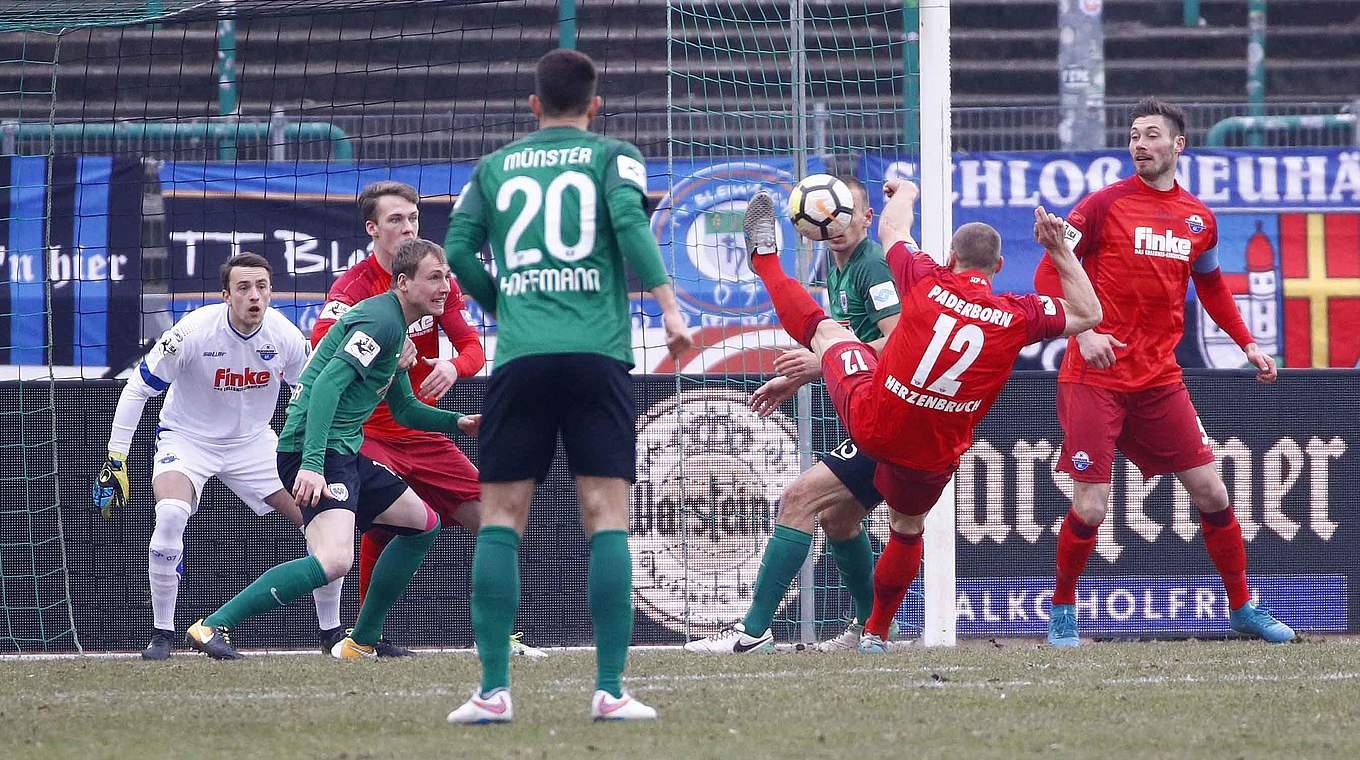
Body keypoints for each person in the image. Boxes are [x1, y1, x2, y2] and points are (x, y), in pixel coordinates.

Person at [742, 178, 1101, 653]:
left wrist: (908, 190)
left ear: (951, 258)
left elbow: (892, 227)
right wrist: (1059, 250)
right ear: (998, 266)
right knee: (903, 529)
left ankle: (764, 259)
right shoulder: (1017, 315)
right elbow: (1089, 312)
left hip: (879, 418)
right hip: (933, 451)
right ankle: (873, 633)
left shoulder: (925, 277)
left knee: (826, 335)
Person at [442, 48, 692, 723]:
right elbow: (630, 223)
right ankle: (610, 690)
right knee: (606, 517)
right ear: (595, 104)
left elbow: (457, 250)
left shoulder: (493, 168)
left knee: (500, 518)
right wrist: (668, 309)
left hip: (521, 358)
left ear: (532, 106)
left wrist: (508, 307)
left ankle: (493, 691)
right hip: (597, 357)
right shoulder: (614, 155)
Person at [1034, 97, 1293, 647]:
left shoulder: (1198, 218)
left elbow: (1213, 286)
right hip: (1094, 375)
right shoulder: (1102, 206)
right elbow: (1047, 269)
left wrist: (1246, 342)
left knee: (1213, 493)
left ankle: (1243, 607)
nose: (1140, 144)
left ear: (1178, 145)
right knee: (1091, 505)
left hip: (1158, 379)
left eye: (1152, 135)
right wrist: (1085, 330)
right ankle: (1062, 610)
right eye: (1133, 135)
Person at [185, 239, 479, 660]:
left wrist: (458, 423)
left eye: (447, 277)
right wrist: (311, 464)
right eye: (435, 277)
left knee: (423, 524)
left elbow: (406, 409)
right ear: (403, 282)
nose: (446, 287)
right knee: (334, 560)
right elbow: (325, 385)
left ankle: (361, 641)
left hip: (344, 450)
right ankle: (212, 626)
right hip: (316, 450)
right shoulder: (381, 322)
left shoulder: (396, 328)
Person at [309, 181, 545, 658]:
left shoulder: (437, 277)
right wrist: (387, 352)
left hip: (422, 427)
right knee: (384, 525)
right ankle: (365, 636)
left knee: (496, 519)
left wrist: (452, 367)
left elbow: (474, 349)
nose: (408, 227)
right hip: (367, 431)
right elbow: (321, 351)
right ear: (372, 229)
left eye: (413, 218)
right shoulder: (352, 289)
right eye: (396, 219)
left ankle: (499, 634)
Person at [683, 176, 904, 655]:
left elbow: (902, 342)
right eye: (826, 215)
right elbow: (844, 349)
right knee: (840, 520)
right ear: (808, 224)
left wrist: (823, 358)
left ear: (866, 218)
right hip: (877, 411)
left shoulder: (873, 267)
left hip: (892, 416)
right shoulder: (839, 269)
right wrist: (804, 374)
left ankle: (753, 633)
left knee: (797, 501)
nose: (836, 224)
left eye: (845, 213)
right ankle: (872, 631)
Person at [93, 252, 344, 660]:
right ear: (225, 295)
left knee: (322, 519)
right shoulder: (192, 333)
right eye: (243, 288)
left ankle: (331, 633)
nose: (254, 297)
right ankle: (162, 635)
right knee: (171, 513)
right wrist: (115, 459)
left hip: (255, 444)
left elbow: (313, 394)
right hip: (188, 440)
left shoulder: (283, 335)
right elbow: (139, 388)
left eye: (262, 287)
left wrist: (313, 455)